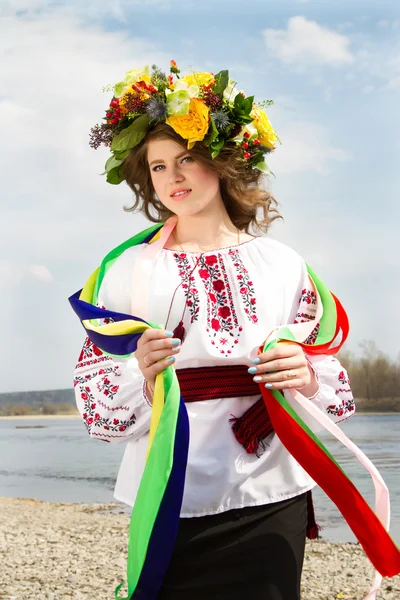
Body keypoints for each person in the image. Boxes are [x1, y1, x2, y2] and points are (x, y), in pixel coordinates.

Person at [72, 62, 356, 600]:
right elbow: (94, 393)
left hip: (271, 488)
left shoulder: (282, 262)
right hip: (169, 494)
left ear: (222, 162)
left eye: (186, 159)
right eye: (157, 167)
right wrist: (144, 376)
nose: (172, 177)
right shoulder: (127, 269)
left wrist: (306, 376)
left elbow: (325, 368)